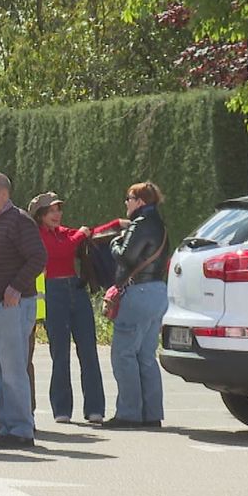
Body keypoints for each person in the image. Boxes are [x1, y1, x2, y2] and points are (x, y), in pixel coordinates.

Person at [0, 173, 47, 449]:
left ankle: (20, 430)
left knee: (13, 369)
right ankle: (5, 425)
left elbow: (38, 257)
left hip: (13, 306)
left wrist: (16, 287)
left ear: (4, 194)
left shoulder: (19, 221)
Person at [29, 192, 105, 424]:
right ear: (40, 215)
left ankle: (95, 408)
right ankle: (62, 409)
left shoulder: (65, 233)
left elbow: (92, 232)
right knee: (60, 353)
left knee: (89, 351)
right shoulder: (37, 236)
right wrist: (80, 235)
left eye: (58, 209)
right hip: (53, 293)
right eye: (51, 210)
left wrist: (118, 224)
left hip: (76, 289)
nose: (57, 214)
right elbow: (57, 252)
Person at [104, 182, 169, 429]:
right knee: (146, 356)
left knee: (124, 354)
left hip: (138, 293)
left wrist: (114, 243)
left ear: (140, 201)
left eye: (129, 198)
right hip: (157, 292)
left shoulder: (140, 224)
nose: (126, 203)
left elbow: (125, 255)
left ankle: (129, 414)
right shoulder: (160, 225)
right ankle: (152, 414)